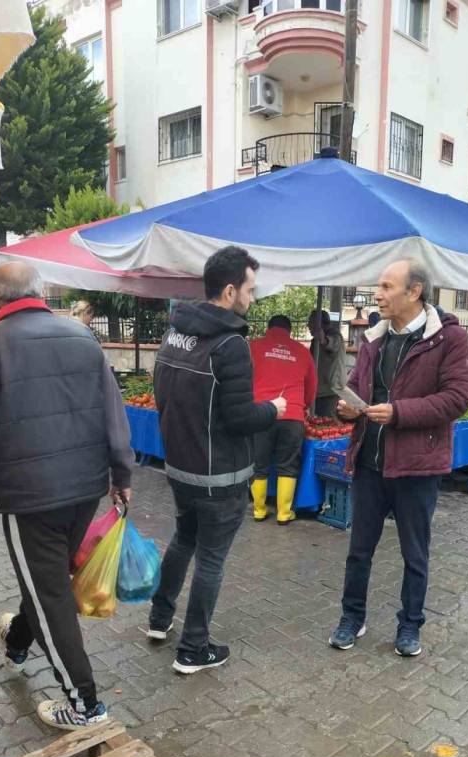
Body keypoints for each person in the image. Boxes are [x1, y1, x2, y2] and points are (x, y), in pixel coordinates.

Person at [0, 262, 134, 731]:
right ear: (41, 293)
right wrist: (122, 473)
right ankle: (17, 641)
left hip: (31, 498)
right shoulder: (82, 338)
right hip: (85, 490)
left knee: (50, 591)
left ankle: (85, 705)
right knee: (45, 579)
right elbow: (114, 411)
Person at [149, 246, 287, 674]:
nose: (252, 297)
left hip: (179, 469)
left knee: (183, 541)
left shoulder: (175, 333)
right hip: (218, 477)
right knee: (211, 558)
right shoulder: (230, 345)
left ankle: (159, 618)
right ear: (229, 291)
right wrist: (276, 409)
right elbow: (242, 418)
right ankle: (193, 649)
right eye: (249, 289)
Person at [330, 258, 468, 657]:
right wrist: (347, 408)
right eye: (378, 286)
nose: (377, 295)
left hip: (417, 467)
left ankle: (410, 626)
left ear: (414, 292)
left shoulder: (449, 339)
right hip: (369, 463)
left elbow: (457, 398)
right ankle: (351, 618)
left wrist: (399, 413)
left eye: (387, 287)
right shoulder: (374, 338)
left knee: (415, 553)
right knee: (359, 549)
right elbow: (357, 385)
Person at [249, 314, 316, 524]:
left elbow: (243, 378)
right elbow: (311, 387)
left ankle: (259, 510)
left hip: (260, 413)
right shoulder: (302, 352)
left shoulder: (253, 347)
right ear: (289, 330)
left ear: (268, 328)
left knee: (258, 463)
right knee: (288, 464)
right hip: (292, 415)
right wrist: (301, 407)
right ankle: (283, 513)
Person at [308, 308, 347, 418]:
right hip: (319, 389)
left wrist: (323, 339)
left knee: (328, 422)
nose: (308, 325)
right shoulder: (314, 341)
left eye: (310, 322)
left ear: (319, 324)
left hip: (330, 390)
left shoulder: (334, 334)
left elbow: (331, 343)